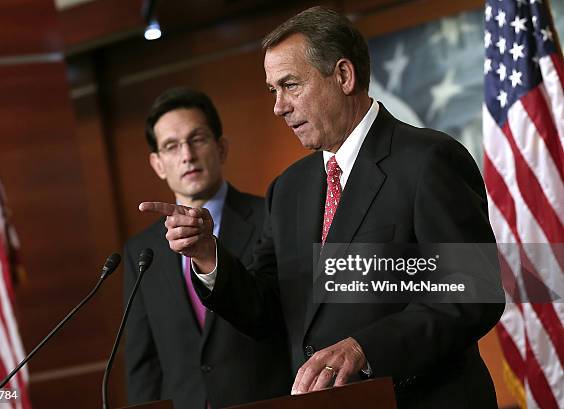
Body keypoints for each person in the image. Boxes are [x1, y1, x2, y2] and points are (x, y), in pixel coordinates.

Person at [140, 8, 504, 409]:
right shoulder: (289, 189)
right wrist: (209, 256)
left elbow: (472, 296)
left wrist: (365, 348)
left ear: (343, 76)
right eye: (272, 91)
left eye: (290, 85)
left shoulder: (428, 160)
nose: (278, 106)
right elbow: (266, 310)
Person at [124, 87, 291, 409]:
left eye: (197, 139)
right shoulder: (140, 252)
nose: (187, 154)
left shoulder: (272, 216)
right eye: (171, 147)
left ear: (221, 147)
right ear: (158, 164)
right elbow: (143, 361)